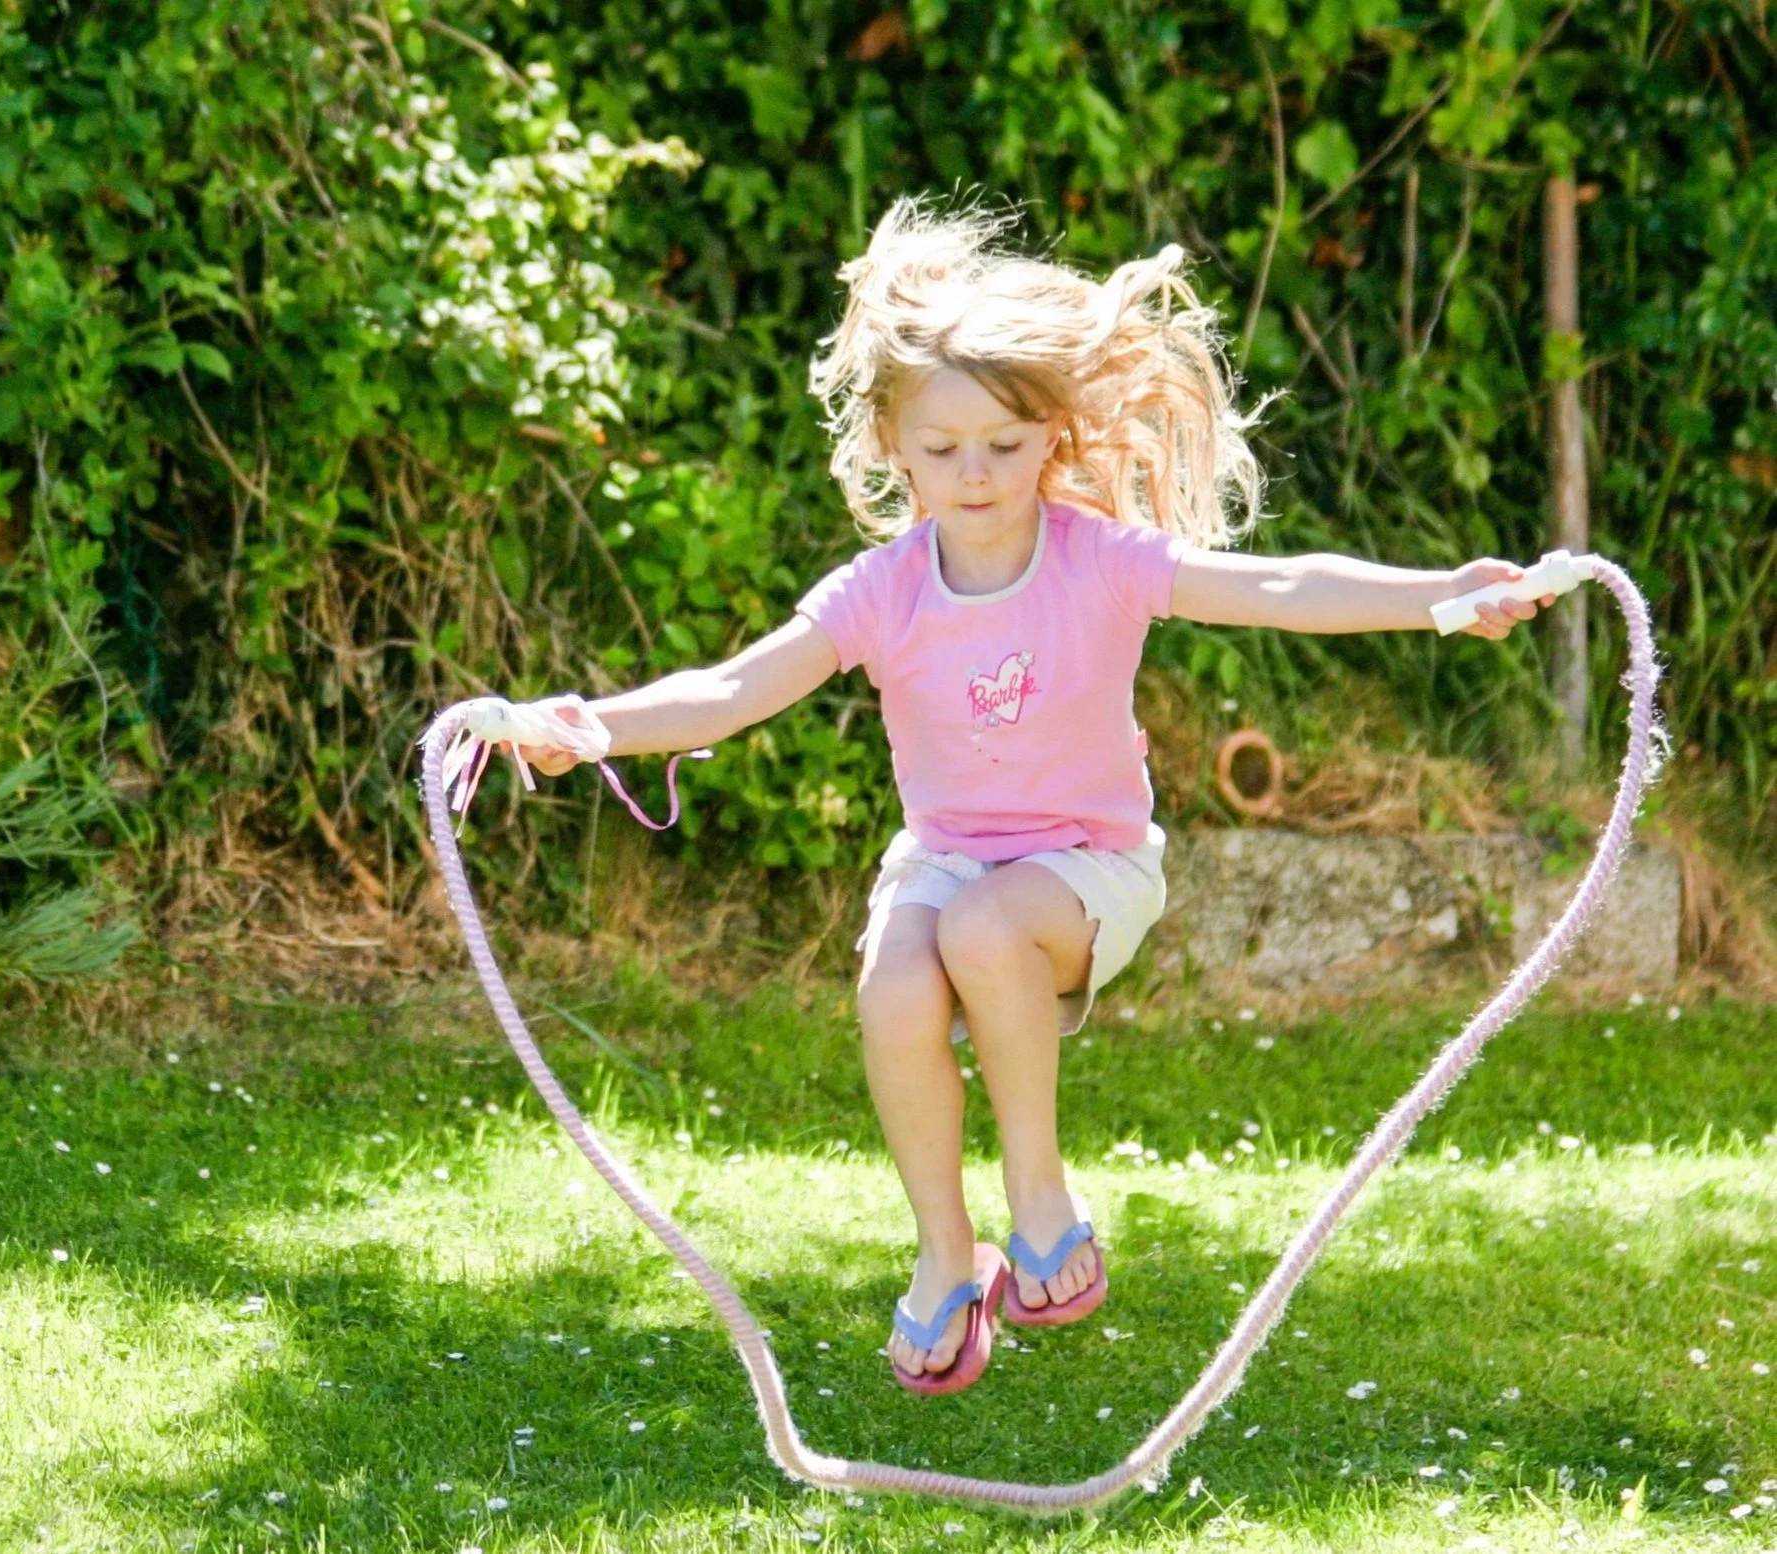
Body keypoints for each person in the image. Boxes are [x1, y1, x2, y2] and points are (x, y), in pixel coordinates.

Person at [513, 195, 1555, 1393]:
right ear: (892, 445)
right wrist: (595, 727)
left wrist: (1434, 594)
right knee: (895, 979)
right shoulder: (880, 589)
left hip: (1086, 869)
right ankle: (944, 1258)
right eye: (942, 448)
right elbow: (738, 686)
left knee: (980, 922)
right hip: (949, 859)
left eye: (1003, 447)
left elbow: (1274, 587)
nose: (973, 474)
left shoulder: (1094, 562)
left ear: (1050, 439)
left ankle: (1039, 1198)